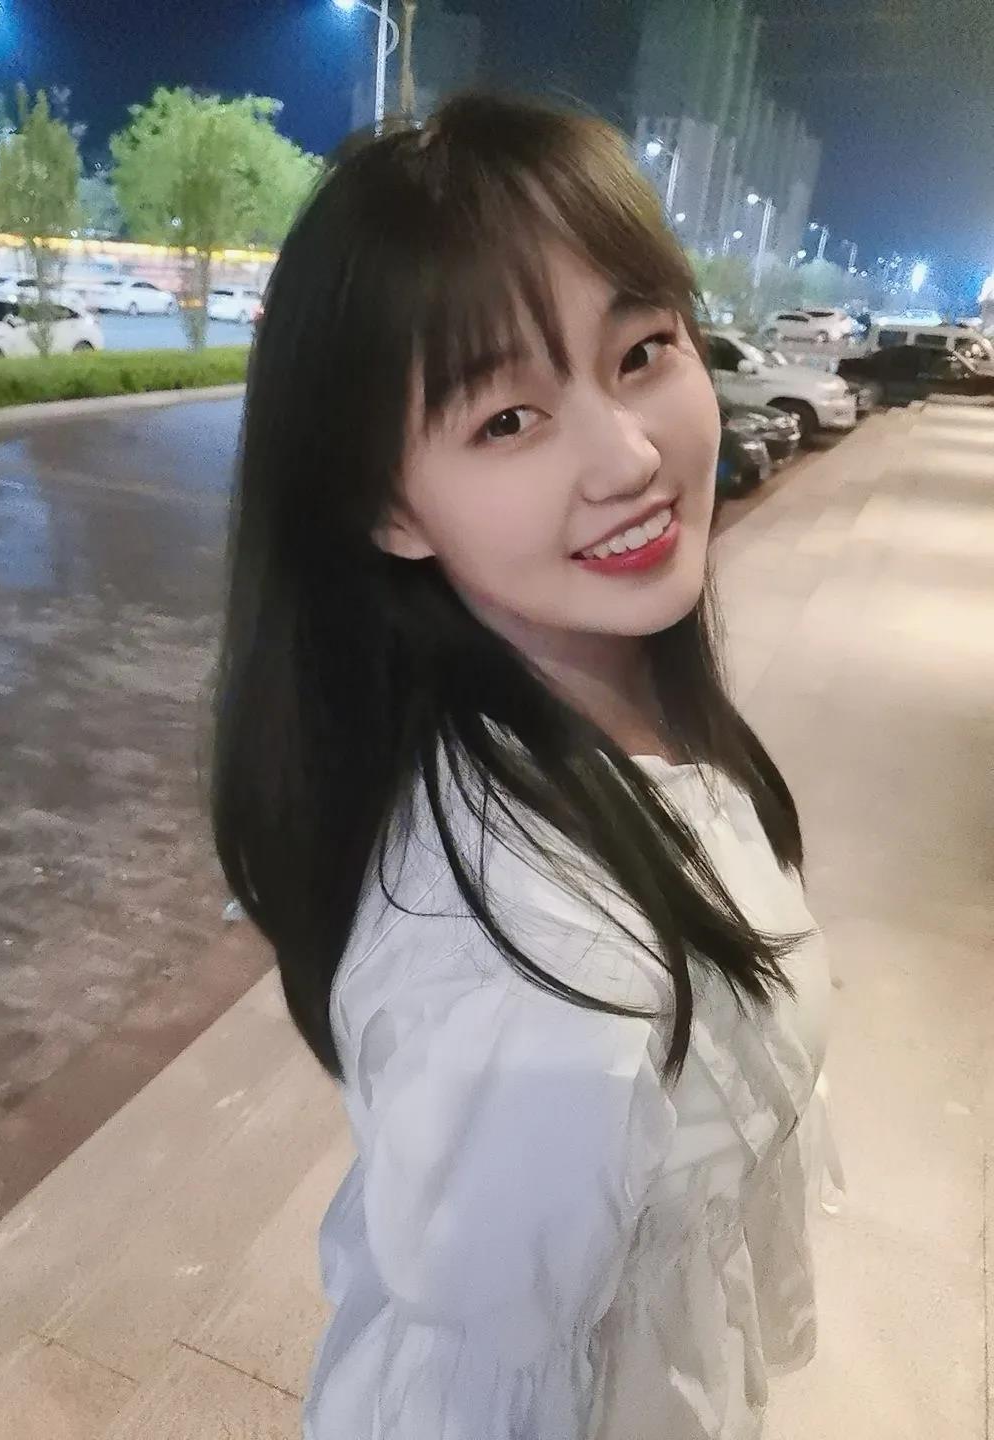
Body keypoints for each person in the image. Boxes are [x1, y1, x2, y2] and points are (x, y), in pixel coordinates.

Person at [212, 93, 838, 1440]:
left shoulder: (623, 710)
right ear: (388, 504)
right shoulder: (535, 976)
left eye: (642, 351)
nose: (630, 456)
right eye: (507, 420)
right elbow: (475, 1401)